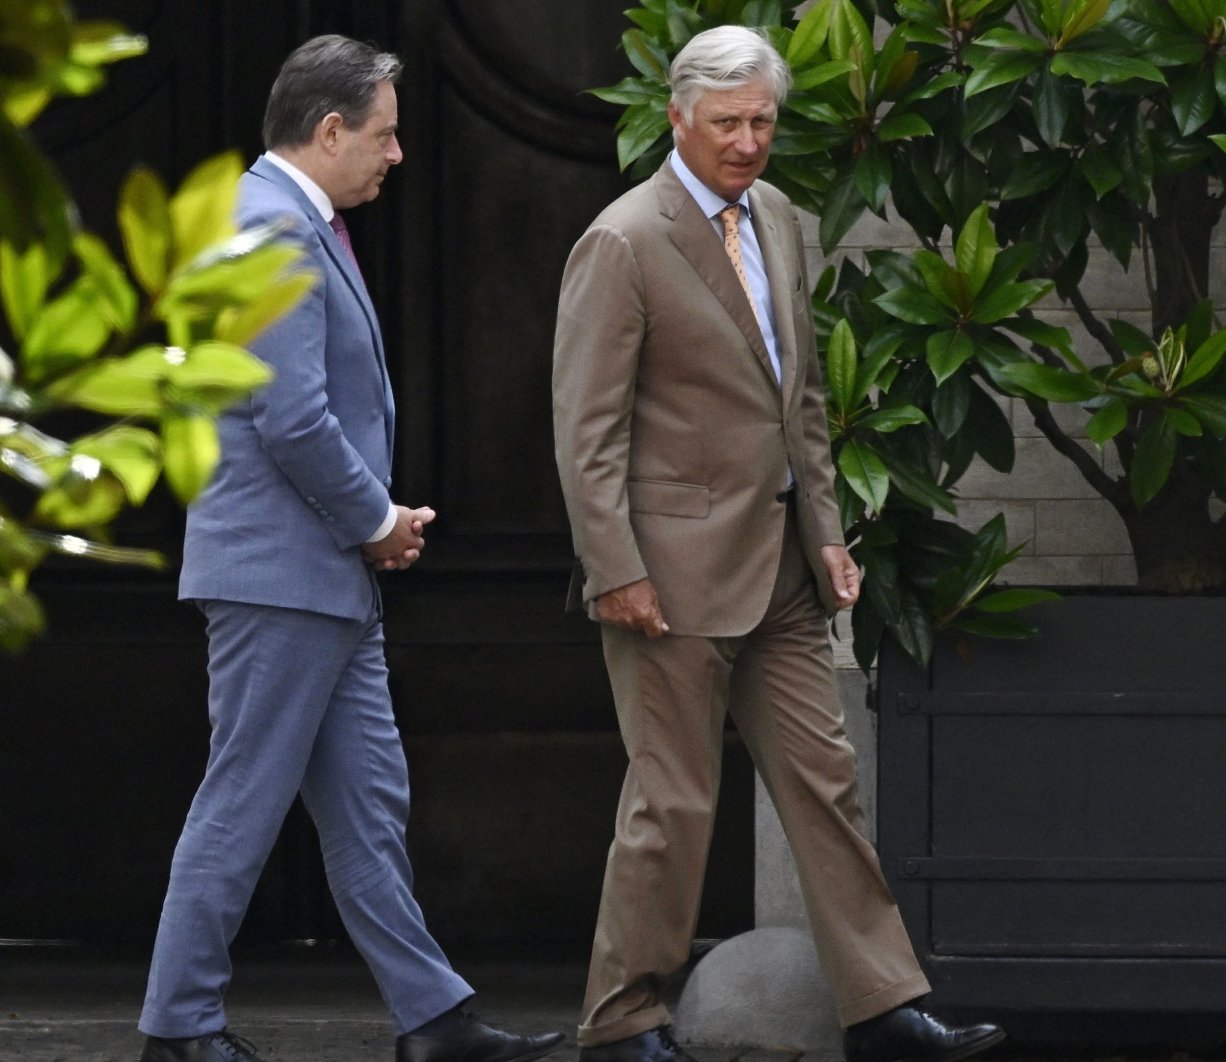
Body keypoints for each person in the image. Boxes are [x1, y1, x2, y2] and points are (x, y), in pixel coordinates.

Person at [552, 25, 1006, 1062]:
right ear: (677, 117)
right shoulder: (622, 239)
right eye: (727, 124)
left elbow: (796, 403)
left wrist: (829, 536)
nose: (749, 141)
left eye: (762, 120)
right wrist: (613, 567)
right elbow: (586, 431)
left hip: (783, 574)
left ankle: (884, 1008)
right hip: (666, 577)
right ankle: (622, 1022)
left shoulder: (782, 220)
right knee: (671, 800)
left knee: (825, 784)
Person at [138, 35, 566, 1062]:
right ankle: (178, 1030)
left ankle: (434, 1020)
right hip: (283, 573)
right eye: (383, 134)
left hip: (317, 574)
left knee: (368, 804)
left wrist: (367, 528)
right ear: (328, 131)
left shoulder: (285, 220)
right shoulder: (272, 229)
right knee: (241, 801)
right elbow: (291, 418)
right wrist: (376, 520)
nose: (397, 154)